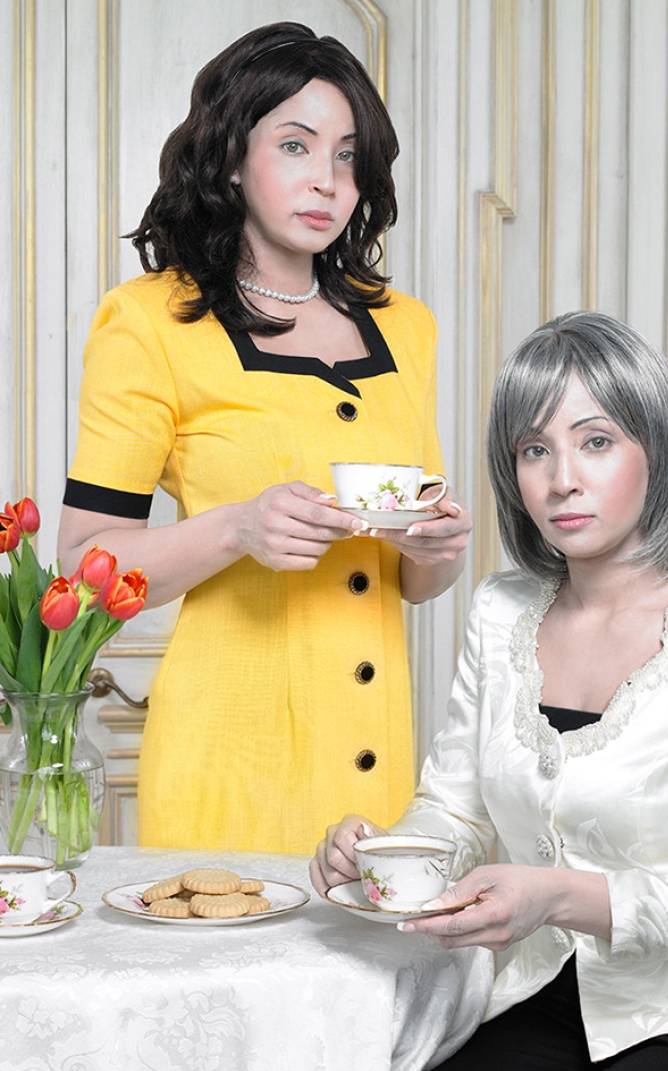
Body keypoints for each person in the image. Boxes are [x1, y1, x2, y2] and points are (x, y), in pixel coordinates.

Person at [311, 311, 668, 1071]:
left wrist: (558, 894)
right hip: (553, 993)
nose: (561, 480)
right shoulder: (499, 609)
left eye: (596, 441)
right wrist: (384, 858)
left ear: (655, 448)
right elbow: (453, 812)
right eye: (533, 449)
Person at [57, 22, 471, 855]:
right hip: (230, 762)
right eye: (294, 145)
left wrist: (441, 546)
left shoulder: (405, 327)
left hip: (379, 768)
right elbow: (83, 567)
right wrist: (237, 528)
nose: (327, 181)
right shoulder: (150, 323)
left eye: (348, 155)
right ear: (231, 160)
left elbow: (412, 581)